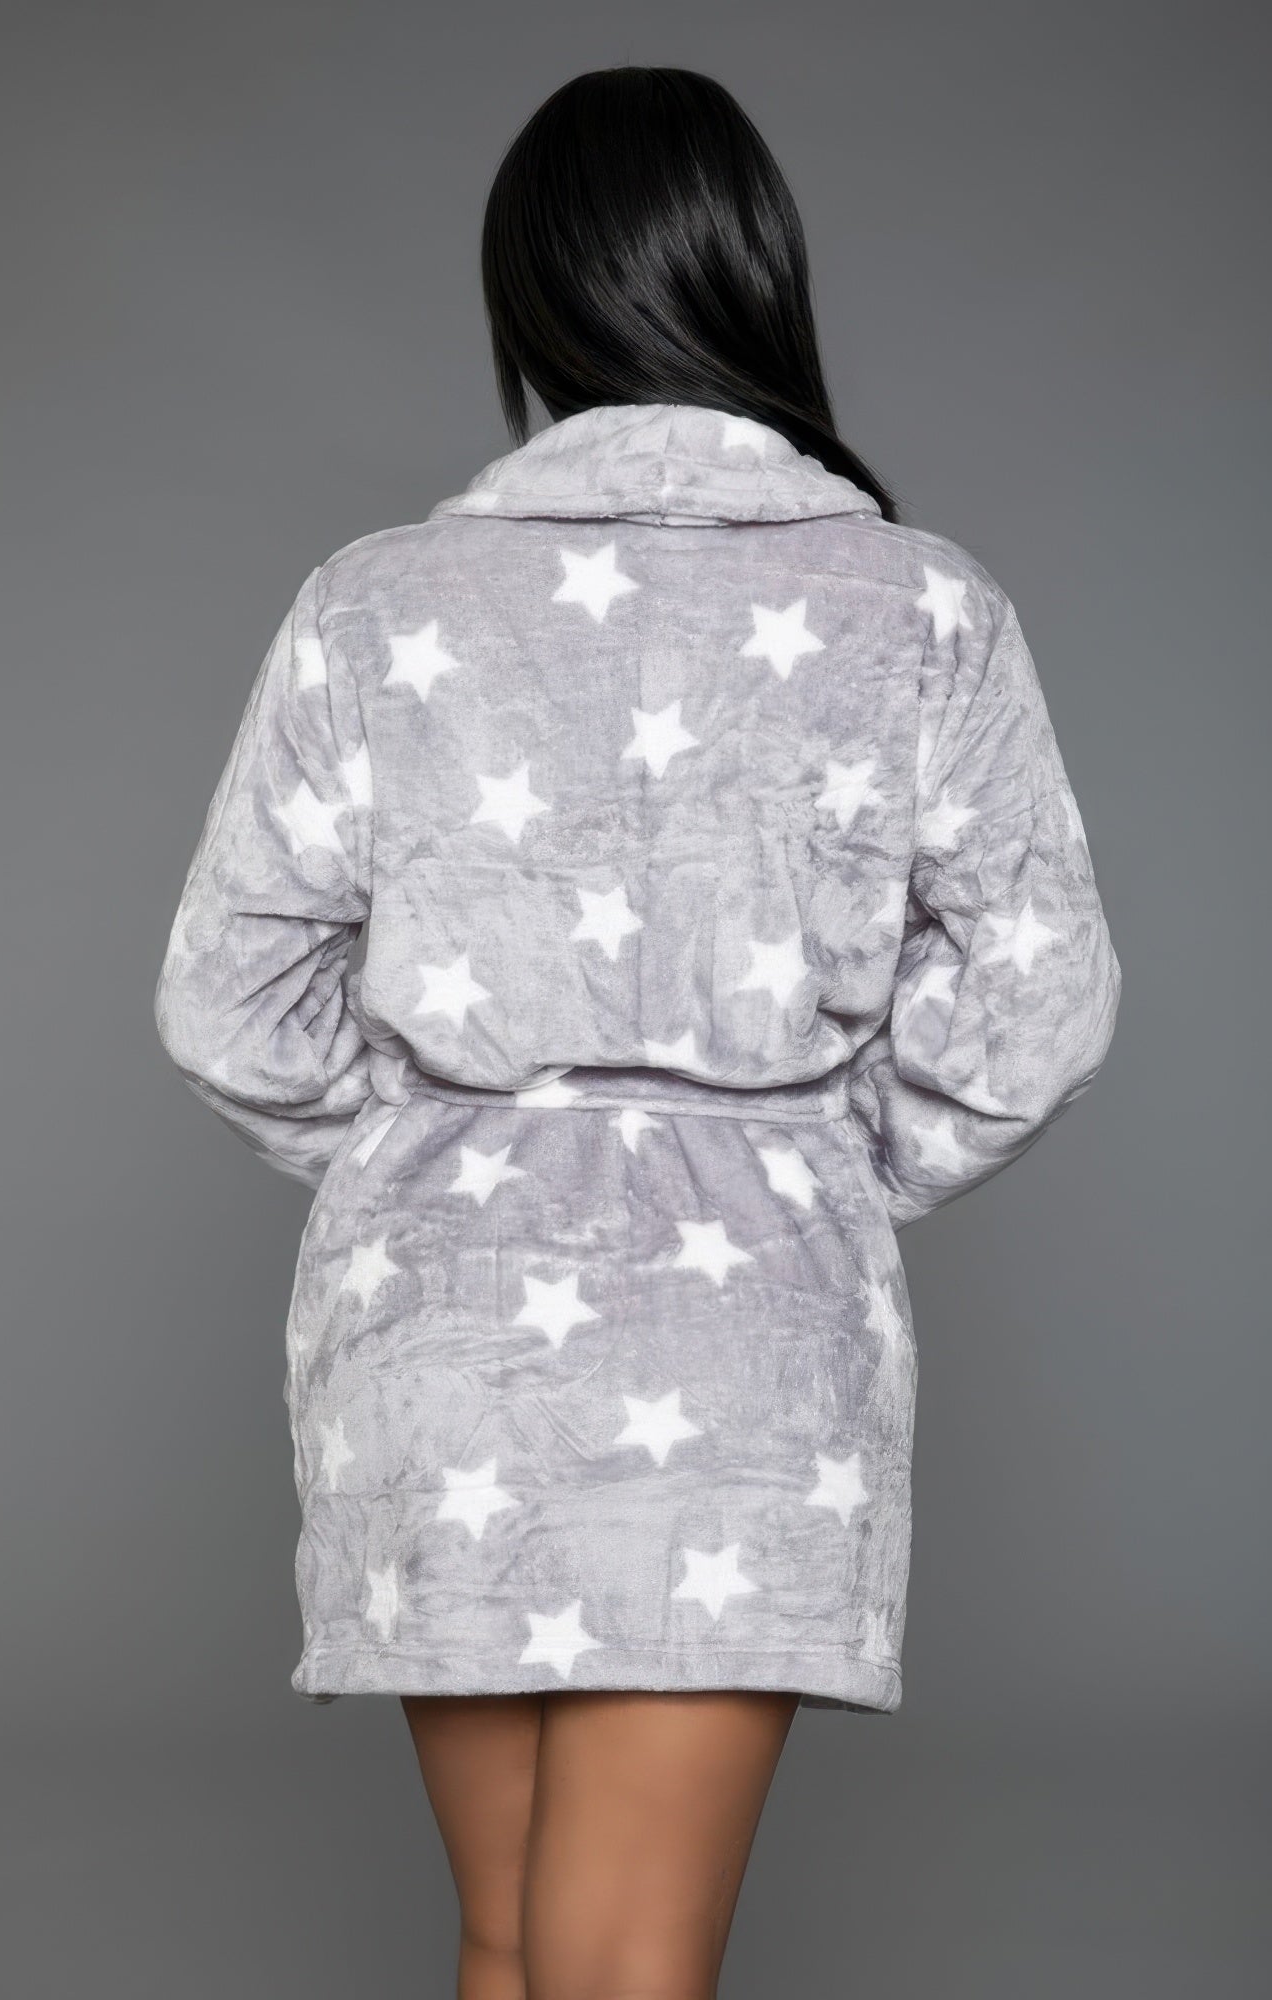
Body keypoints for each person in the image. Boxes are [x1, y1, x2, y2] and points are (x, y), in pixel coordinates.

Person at [153, 64, 1122, 2000]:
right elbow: (1040, 992)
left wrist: (431, 1155)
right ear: (756, 276)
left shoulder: (376, 605)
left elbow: (228, 998)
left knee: (517, 1944)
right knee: (624, 1965)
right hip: (745, 1329)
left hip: (434, 1323)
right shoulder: (918, 607)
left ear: (530, 296)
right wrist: (816, 1164)